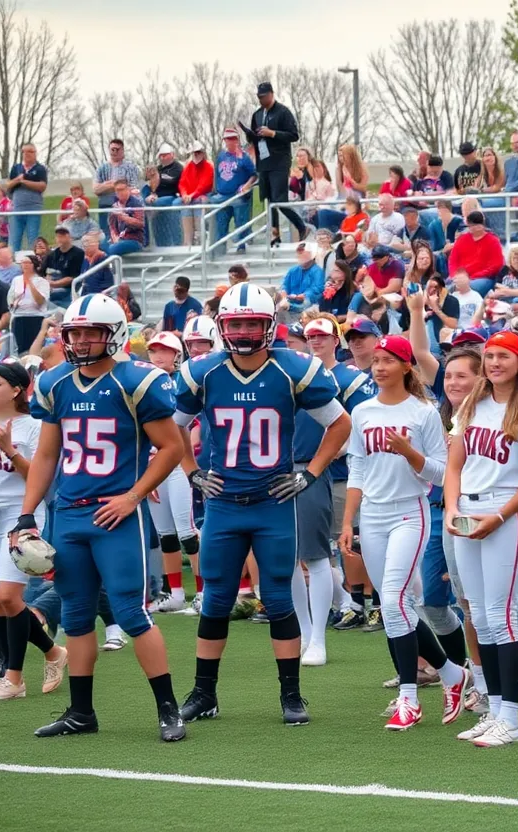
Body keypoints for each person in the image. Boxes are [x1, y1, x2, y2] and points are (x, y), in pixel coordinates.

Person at [175, 283, 351, 728]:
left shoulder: (294, 369)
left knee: (276, 596)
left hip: (273, 501)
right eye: (236, 323)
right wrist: (191, 471)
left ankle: (291, 695)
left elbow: (340, 424)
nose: (245, 331)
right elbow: (170, 427)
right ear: (223, 326)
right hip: (225, 504)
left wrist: (309, 473)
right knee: (215, 597)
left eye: (253, 322)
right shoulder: (203, 372)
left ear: (269, 325)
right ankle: (204, 693)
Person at [17, 292, 187, 740]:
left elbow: (172, 448)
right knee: (74, 616)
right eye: (74, 333)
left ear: (113, 335)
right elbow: (47, 454)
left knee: (132, 613)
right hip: (69, 515)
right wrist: (26, 514)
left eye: (92, 332)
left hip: (115, 517)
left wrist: (132, 496)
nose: (82, 341)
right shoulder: (56, 383)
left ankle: (169, 710)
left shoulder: (136, 381)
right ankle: (81, 713)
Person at [340, 334, 470, 730]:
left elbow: (441, 471)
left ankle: (410, 698)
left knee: (395, 600)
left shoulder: (424, 412)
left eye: (387, 361)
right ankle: (451, 673)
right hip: (373, 516)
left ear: (405, 366)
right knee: (397, 606)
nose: (379, 367)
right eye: (375, 361)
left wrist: (409, 453)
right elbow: (357, 469)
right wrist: (348, 521)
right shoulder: (361, 411)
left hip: (409, 513)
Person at [445, 330, 518, 748]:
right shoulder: (472, 404)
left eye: (503, 356)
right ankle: (493, 709)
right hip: (467, 513)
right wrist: (453, 508)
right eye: (489, 356)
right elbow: (455, 465)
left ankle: (510, 718)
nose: (493, 363)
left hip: (505, 513)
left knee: (500, 612)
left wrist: (500, 515)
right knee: (480, 615)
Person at [0, 361, 68, 701]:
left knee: (10, 597)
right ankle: (53, 652)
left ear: (16, 390)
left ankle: (14, 678)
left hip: (19, 514)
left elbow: (39, 476)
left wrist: (10, 450)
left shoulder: (35, 426)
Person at [141, 332, 202, 616]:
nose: (158, 355)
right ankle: (175, 591)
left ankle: (203, 591)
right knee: (165, 534)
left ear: (178, 355)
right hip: (154, 465)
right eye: (154, 350)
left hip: (177, 464)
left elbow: (191, 426)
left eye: (165, 350)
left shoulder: (183, 383)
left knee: (187, 532)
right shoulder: (142, 383)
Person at [246, 82, 307, 245]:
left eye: (264, 96)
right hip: (263, 161)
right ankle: (275, 234)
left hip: (279, 161)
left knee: (279, 199)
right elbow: (253, 136)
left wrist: (272, 133)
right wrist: (251, 136)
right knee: (269, 199)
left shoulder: (283, 112)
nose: (261, 100)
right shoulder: (257, 114)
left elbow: (294, 135)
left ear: (272, 94)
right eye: (259, 97)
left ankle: (301, 226)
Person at [212, 127, 259, 252]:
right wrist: (215, 190)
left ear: (237, 140)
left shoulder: (244, 157)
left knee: (240, 224)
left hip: (238, 196)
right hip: (222, 195)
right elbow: (216, 174)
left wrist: (247, 185)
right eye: (228, 139)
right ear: (224, 140)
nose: (231, 141)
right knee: (221, 225)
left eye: (233, 138)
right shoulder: (221, 156)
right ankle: (220, 250)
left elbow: (254, 175)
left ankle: (241, 248)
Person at [6, 144, 48, 252]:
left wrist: (24, 182)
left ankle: (33, 262)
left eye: (30, 151)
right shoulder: (16, 168)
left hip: (33, 210)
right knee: (14, 239)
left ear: (35, 153)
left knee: (33, 239)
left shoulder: (40, 169)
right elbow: (8, 185)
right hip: (17, 210)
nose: (26, 154)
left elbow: (42, 186)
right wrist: (17, 180)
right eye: (24, 151)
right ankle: (13, 263)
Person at [6, 254, 50, 354]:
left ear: (33, 264)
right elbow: (10, 297)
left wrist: (29, 283)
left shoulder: (42, 282)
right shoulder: (16, 280)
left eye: (27, 262)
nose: (24, 265)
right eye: (22, 262)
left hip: (36, 316)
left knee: (35, 347)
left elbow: (40, 301)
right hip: (19, 316)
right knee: (21, 348)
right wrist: (12, 303)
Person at [178, 142, 215, 247]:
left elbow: (204, 185)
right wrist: (184, 194)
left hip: (204, 195)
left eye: (198, 152)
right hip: (190, 197)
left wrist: (191, 195)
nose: (196, 155)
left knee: (199, 203)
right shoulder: (188, 166)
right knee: (184, 205)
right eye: (194, 153)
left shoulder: (209, 166)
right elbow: (182, 183)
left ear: (203, 153)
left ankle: (200, 239)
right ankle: (187, 241)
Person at [101, 180, 147, 257]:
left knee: (112, 249)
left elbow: (140, 223)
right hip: (119, 238)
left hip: (134, 240)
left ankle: (111, 268)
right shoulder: (115, 205)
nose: (120, 192)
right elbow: (111, 226)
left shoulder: (136, 204)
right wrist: (115, 238)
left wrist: (123, 216)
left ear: (128, 189)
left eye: (122, 189)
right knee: (100, 246)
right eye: (117, 190)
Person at [45, 225, 85, 306]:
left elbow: (72, 278)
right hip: (51, 289)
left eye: (63, 235)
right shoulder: (52, 254)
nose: (60, 239)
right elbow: (43, 272)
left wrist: (52, 284)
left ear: (69, 237)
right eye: (58, 236)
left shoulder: (78, 254)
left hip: (69, 290)